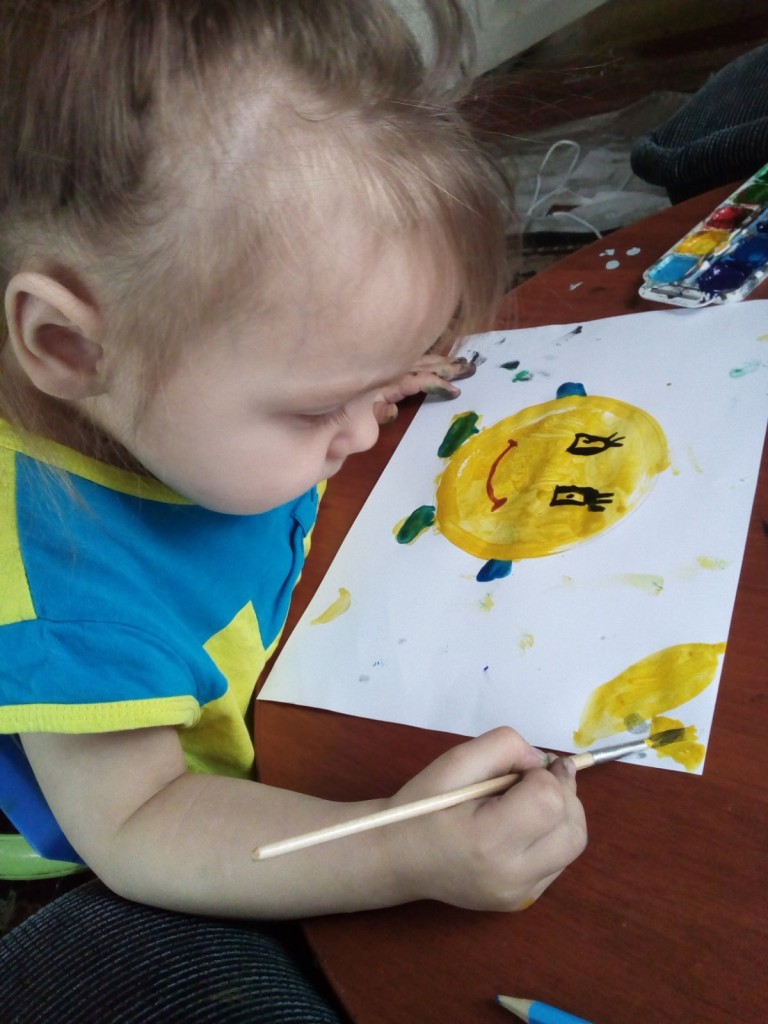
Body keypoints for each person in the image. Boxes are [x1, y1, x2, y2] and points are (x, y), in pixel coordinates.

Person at [0, 1, 587, 1018]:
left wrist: (374, 365)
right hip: (133, 828)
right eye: (320, 406)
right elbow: (140, 823)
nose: (360, 430)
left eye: (388, 376)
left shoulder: (180, 379)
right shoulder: (62, 597)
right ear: (69, 348)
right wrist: (397, 849)